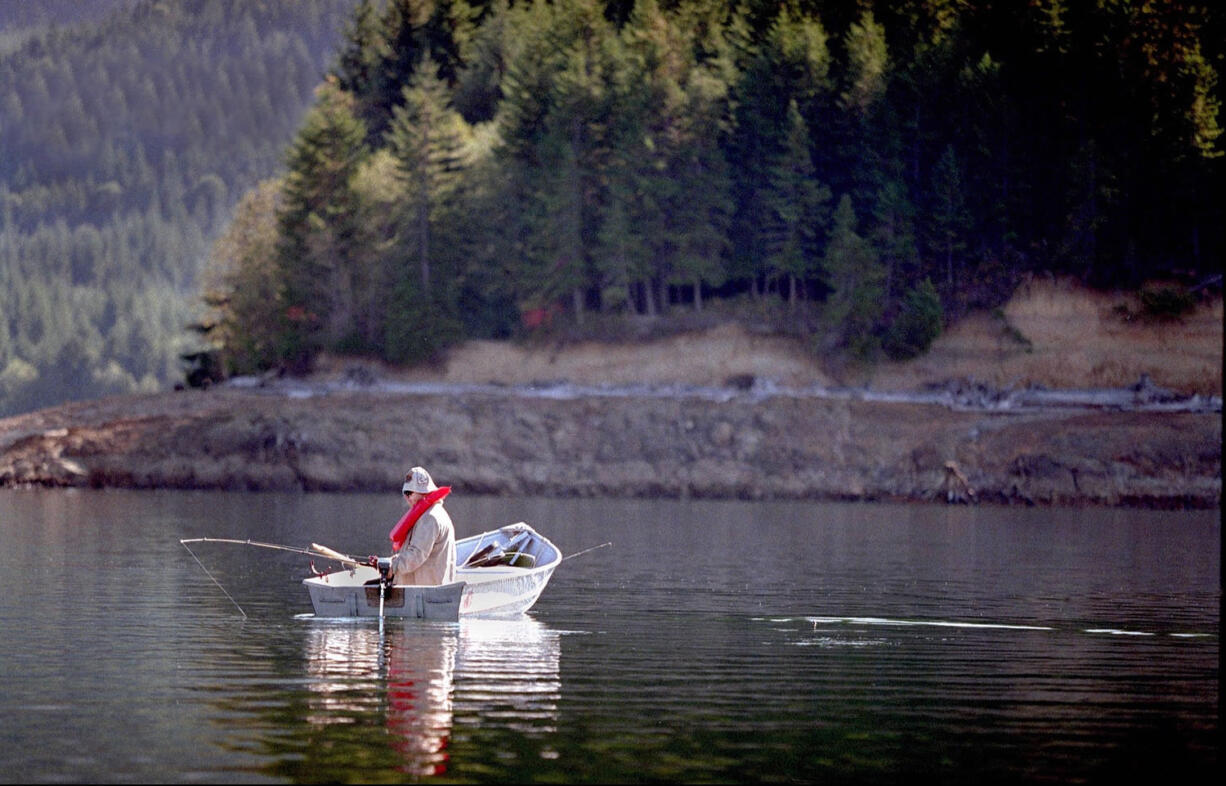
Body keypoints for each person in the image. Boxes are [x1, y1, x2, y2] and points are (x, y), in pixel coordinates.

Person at [371, 466, 456, 586]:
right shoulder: (430, 514)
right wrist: (386, 562)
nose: (407, 497)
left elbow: (416, 555)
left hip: (425, 594)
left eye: (410, 493)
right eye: (405, 493)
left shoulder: (430, 518)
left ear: (424, 492)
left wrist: (391, 566)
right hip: (424, 591)